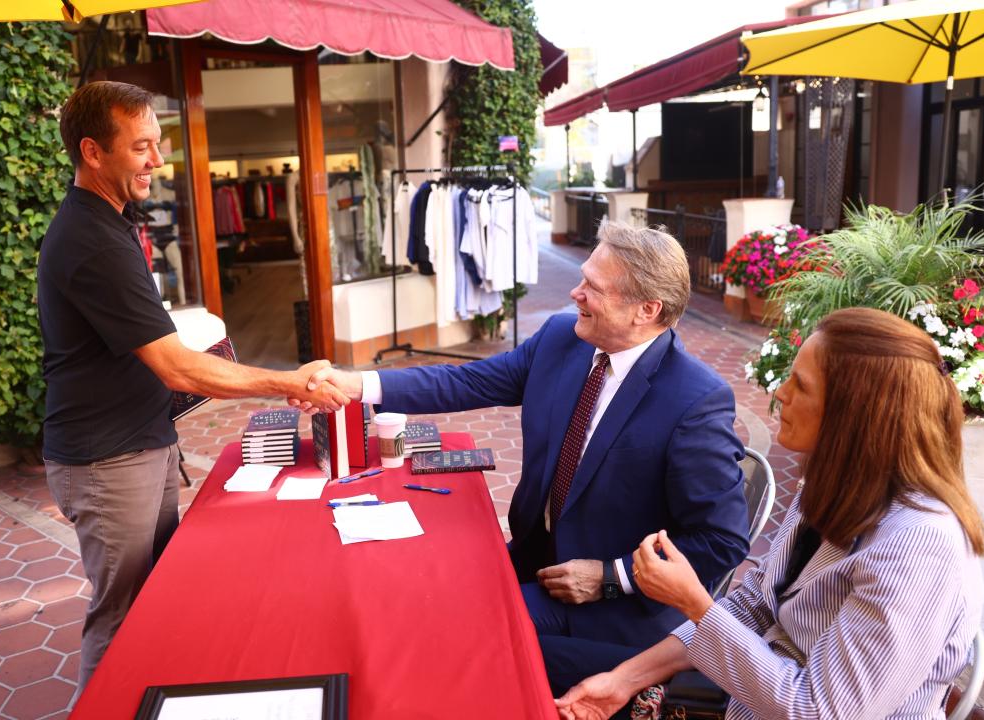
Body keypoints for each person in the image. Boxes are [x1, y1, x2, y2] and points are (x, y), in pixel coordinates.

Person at [311, 221, 748, 692]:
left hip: (610, 607)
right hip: (535, 555)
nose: (575, 293)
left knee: (449, 633)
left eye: (593, 288)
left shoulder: (694, 400)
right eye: (582, 278)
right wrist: (358, 386)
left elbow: (721, 541)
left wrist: (608, 576)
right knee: (417, 583)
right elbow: (469, 382)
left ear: (647, 310)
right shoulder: (565, 338)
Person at [39, 81, 347, 689]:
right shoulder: (93, 238)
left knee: (154, 598)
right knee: (121, 616)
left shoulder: (110, 220)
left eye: (158, 144)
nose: (157, 161)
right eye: (141, 147)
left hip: (136, 444)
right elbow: (174, 366)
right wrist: (287, 381)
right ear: (92, 152)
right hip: (108, 459)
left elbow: (136, 338)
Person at [556, 307, 984, 720]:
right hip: (742, 700)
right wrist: (622, 680)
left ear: (851, 417)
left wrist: (694, 602)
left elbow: (816, 711)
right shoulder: (834, 487)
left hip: (762, 703)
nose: (781, 392)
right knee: (534, 658)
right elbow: (755, 604)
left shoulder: (920, 544)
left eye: (801, 385)